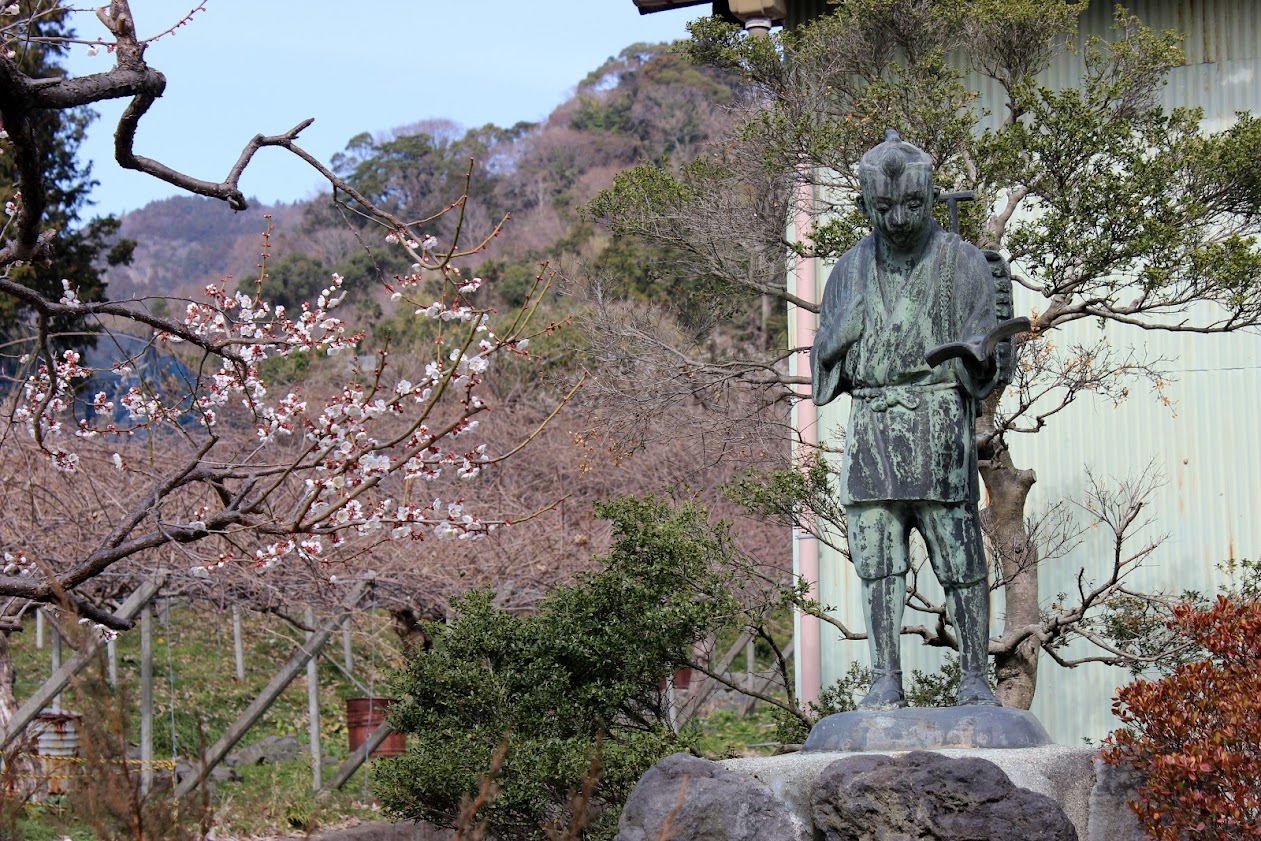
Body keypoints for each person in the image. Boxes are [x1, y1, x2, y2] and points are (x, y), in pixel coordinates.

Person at [810, 130, 1004, 709]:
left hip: (939, 421)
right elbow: (825, 365)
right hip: (872, 424)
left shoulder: (965, 263)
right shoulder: (847, 269)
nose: (897, 219)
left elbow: (987, 355)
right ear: (867, 206)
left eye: (912, 205)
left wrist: (978, 357)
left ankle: (975, 677)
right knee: (876, 560)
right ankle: (885, 679)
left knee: (961, 555)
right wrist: (836, 340)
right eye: (883, 207)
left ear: (930, 197)